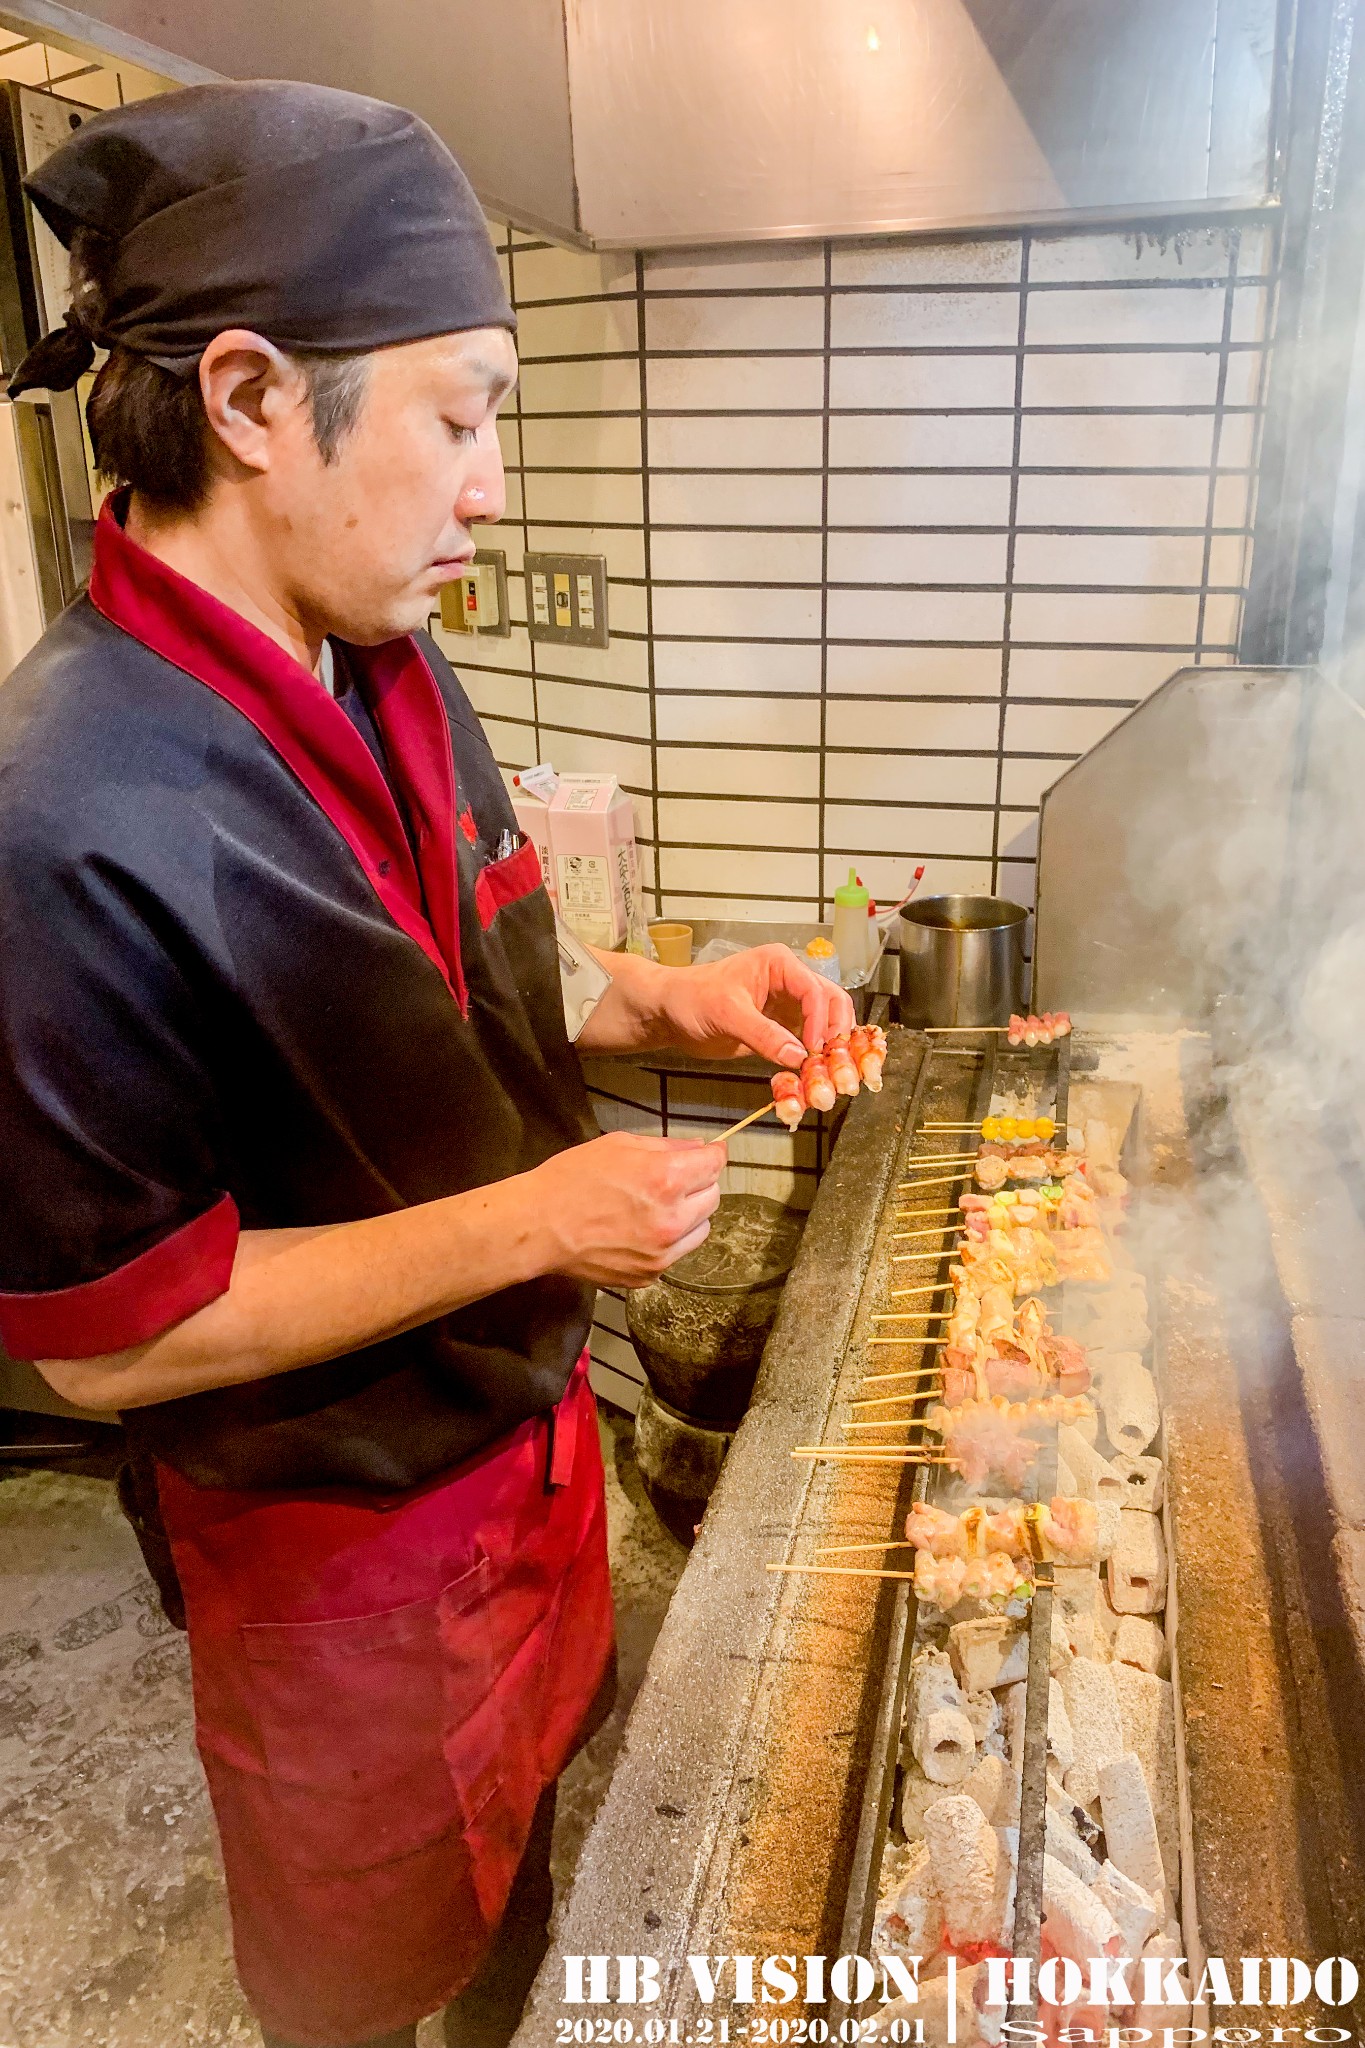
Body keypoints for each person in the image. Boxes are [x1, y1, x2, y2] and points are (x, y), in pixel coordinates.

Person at [0, 82, 855, 2048]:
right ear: (245, 397)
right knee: (366, 1987)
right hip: (343, 1564)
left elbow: (466, 968)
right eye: (456, 417)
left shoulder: (373, 648)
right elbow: (111, 1339)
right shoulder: (68, 811)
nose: (487, 482)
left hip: (525, 1465)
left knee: (528, 1923)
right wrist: (536, 1219)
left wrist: (669, 996)